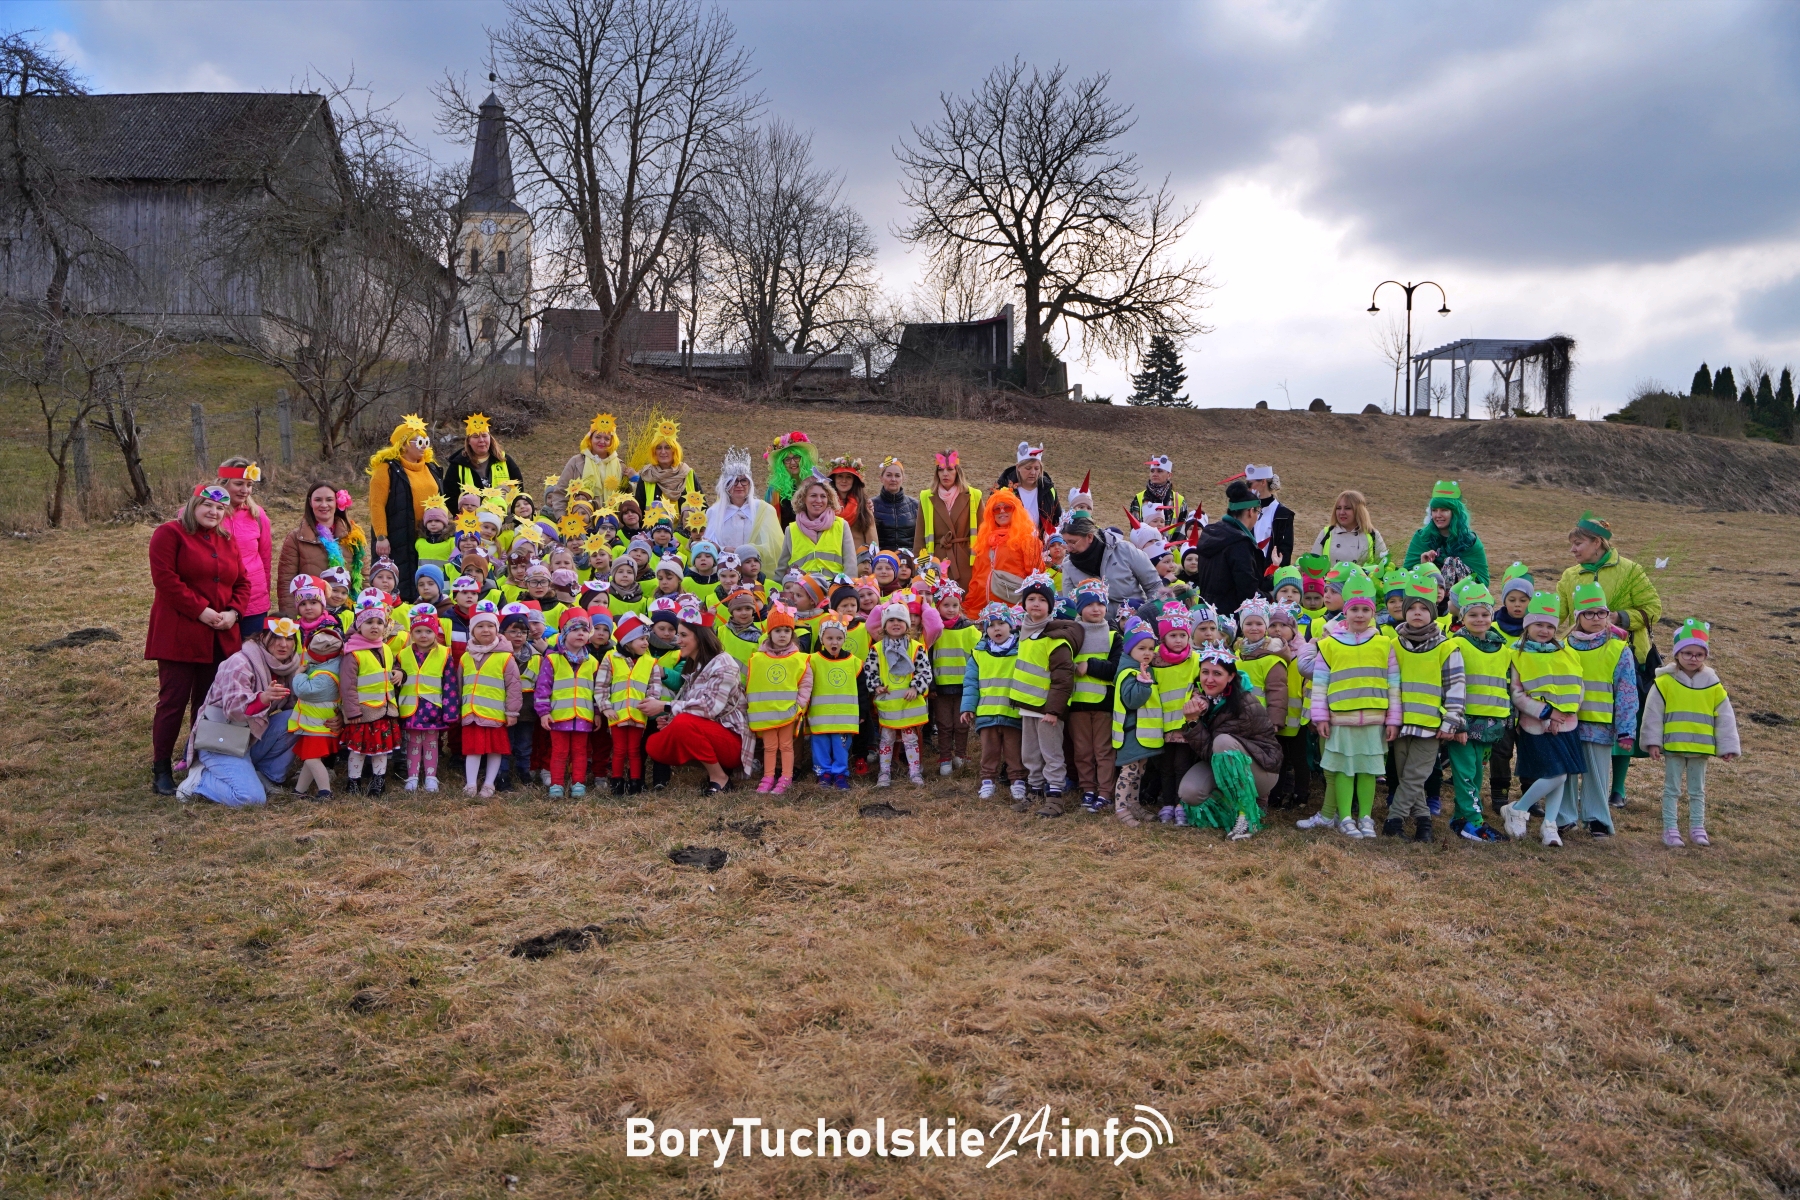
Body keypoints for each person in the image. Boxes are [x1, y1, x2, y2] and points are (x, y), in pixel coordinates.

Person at [147, 483, 252, 796]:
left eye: (220, 508)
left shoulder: (227, 540)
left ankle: (197, 760)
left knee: (208, 703)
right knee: (173, 701)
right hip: (180, 633)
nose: (213, 512)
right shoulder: (169, 534)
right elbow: (166, 579)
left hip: (220, 636)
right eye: (207, 505)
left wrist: (234, 612)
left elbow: (243, 582)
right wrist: (201, 611)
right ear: (194, 505)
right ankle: (161, 768)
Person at [1556, 510, 1662, 807]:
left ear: (1597, 543)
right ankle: (1584, 786)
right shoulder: (1569, 576)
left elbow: (1653, 608)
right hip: (1580, 655)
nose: (1573, 550)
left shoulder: (1630, 570)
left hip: (1623, 654)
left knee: (1620, 718)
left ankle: (1618, 788)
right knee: (1586, 720)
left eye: (1578, 543)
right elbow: (1558, 613)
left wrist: (1617, 618)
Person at [1297, 570, 1398, 840]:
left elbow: (1393, 684)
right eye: (1355, 609)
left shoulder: (1384, 644)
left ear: (1373, 612)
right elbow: (1320, 684)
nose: (1360, 615)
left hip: (1374, 720)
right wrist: (1320, 717)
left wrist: (1393, 719)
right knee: (1343, 769)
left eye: (1366, 610)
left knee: (1367, 770)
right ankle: (1344, 817)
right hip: (1340, 719)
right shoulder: (1330, 645)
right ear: (1346, 612)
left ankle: (1365, 817)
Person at [173, 615, 302, 806]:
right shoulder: (239, 663)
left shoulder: (290, 666)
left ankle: (265, 776)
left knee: (296, 718)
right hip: (222, 741)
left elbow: (296, 705)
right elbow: (233, 710)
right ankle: (199, 780)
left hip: (250, 738)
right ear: (262, 637)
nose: (283, 644)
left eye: (289, 638)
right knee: (251, 799)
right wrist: (262, 698)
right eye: (276, 637)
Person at [1497, 592, 1586, 846]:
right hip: (1536, 726)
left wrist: (1564, 713)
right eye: (1538, 624)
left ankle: (1550, 824)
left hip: (1565, 724)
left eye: (1549, 626)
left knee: (1562, 775)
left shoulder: (1566, 653)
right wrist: (1547, 713)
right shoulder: (1516, 654)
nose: (1544, 630)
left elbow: (1578, 686)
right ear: (1528, 625)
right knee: (1556, 774)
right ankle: (1518, 809)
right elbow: (1517, 694)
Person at [1383, 571, 1466, 842]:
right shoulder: (1393, 645)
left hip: (1431, 724)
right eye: (1412, 608)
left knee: (1415, 775)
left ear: (1432, 611)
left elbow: (1456, 688)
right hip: (1400, 722)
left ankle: (1393, 820)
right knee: (1408, 776)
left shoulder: (1447, 647)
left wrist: (1451, 721)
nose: (1417, 612)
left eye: (1423, 608)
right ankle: (1423, 823)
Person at [1643, 619, 1740, 848]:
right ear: (1677, 654)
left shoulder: (1714, 686)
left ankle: (1698, 828)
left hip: (1701, 748)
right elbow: (1653, 714)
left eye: (1699, 654)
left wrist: (1726, 747)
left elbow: (1725, 718)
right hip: (1674, 746)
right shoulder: (1664, 683)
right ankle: (1670, 829)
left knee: (1697, 791)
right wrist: (1653, 742)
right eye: (1687, 653)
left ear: (1705, 656)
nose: (1693, 658)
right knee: (1672, 790)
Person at [644, 601, 758, 795]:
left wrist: (665, 706)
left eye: (683, 635)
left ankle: (720, 778)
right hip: (712, 732)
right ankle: (715, 769)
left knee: (684, 723)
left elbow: (710, 708)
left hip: (732, 741)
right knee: (654, 744)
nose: (678, 640)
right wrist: (671, 720)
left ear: (700, 636)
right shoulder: (696, 665)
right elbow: (692, 708)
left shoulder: (723, 663)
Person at [1174, 645, 1283, 840]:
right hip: (1223, 762)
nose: (1209, 679)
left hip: (1262, 771)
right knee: (1189, 793)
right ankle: (1233, 811)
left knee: (1223, 742)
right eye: (1205, 672)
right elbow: (1211, 755)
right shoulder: (1206, 699)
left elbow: (1214, 750)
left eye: (1217, 673)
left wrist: (1194, 723)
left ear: (1231, 676)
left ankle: (1247, 813)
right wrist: (1194, 720)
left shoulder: (1243, 703)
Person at [1566, 580, 1639, 838]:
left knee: (1597, 773)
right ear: (1578, 616)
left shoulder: (1618, 649)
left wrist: (1626, 730)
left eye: (1601, 613)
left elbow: (1627, 693)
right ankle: (1565, 816)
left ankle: (1596, 818)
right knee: (1567, 772)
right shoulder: (1564, 646)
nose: (1596, 618)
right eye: (1589, 613)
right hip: (1568, 722)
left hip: (1601, 724)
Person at [1005, 573, 1082, 816]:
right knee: (1030, 753)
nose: (1036, 604)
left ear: (1050, 605)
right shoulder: (1026, 633)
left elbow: (1063, 677)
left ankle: (1055, 797)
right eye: (1031, 599)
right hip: (1028, 705)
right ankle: (1035, 791)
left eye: (1041, 600)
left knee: (1051, 754)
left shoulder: (1056, 638)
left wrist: (1054, 710)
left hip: (1047, 710)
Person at [1443, 581, 1509, 842]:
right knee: (1465, 773)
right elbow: (1451, 685)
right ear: (1462, 617)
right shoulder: (1456, 645)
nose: (1480, 619)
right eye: (1473, 614)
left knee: (1477, 773)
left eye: (1484, 614)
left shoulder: (1502, 648)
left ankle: (1460, 818)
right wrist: (1457, 722)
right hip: (1464, 722)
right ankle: (1474, 821)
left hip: (1491, 723)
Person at [368, 414, 444, 603]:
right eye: (419, 442)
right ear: (403, 444)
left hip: (427, 536)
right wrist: (381, 536)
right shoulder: (386, 469)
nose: (424, 446)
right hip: (397, 536)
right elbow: (376, 505)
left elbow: (441, 500)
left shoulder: (432, 468)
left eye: (426, 441)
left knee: (426, 581)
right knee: (398, 582)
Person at [337, 594, 403, 796]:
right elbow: (347, 686)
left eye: (379, 622)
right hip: (363, 713)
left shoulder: (385, 648)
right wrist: (352, 712)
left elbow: (391, 668)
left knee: (381, 750)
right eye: (369, 622)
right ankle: (354, 781)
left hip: (385, 710)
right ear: (359, 626)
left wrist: (400, 672)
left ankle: (378, 781)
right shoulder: (353, 653)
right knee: (357, 750)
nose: (375, 626)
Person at [1066, 579, 1121, 814]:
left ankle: (1105, 791)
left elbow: (1117, 668)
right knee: (1082, 750)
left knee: (1103, 750)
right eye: (1089, 604)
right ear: (1080, 608)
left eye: (1100, 604)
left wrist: (1090, 665)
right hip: (1077, 703)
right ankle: (1088, 788)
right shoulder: (1071, 634)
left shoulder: (1114, 636)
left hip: (1103, 704)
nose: (1096, 609)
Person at [864, 601, 934, 786]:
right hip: (888, 704)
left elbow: (925, 671)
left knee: (910, 739)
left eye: (900, 620)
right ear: (884, 625)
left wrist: (916, 687)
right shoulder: (877, 649)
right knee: (887, 739)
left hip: (909, 704)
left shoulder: (916, 647)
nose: (896, 623)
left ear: (907, 625)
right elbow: (870, 671)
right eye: (891, 620)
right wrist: (876, 686)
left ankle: (915, 772)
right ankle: (884, 773)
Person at [962, 602, 1025, 803]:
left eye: (1001, 623)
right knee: (989, 751)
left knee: (1014, 750)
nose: (996, 629)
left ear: (1011, 625)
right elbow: (971, 683)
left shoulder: (1022, 650)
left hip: (1012, 712)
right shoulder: (978, 654)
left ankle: (1017, 780)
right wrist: (968, 707)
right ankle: (987, 780)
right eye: (991, 625)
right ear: (985, 629)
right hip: (987, 713)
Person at [535, 607, 601, 799]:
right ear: (564, 633)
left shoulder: (592, 662)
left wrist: (597, 712)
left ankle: (578, 783)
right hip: (558, 716)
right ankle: (557, 784)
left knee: (580, 752)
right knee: (559, 752)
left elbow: (597, 691)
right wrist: (543, 712)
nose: (580, 633)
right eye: (575, 629)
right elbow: (543, 688)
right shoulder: (552, 659)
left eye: (584, 630)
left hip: (583, 716)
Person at [748, 603, 812, 794]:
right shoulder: (758, 659)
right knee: (769, 747)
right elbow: (753, 683)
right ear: (769, 633)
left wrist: (799, 705)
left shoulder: (799, 659)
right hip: (766, 712)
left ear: (792, 633)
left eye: (787, 630)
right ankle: (768, 777)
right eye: (777, 631)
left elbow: (806, 684)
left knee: (786, 746)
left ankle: (786, 777)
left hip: (788, 712)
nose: (782, 635)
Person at [459, 600, 521, 798]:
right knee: (473, 749)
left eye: (490, 626)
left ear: (497, 629)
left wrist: (512, 712)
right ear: (472, 630)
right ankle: (470, 784)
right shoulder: (465, 657)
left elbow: (514, 686)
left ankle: (489, 784)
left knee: (495, 749)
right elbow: (460, 684)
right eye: (480, 626)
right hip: (471, 713)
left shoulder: (505, 657)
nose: (485, 630)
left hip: (495, 714)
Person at [398, 603, 458, 793]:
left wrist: (450, 712)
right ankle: (412, 776)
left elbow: (450, 684)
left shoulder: (444, 654)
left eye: (428, 631)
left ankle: (431, 776)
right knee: (413, 743)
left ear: (435, 633)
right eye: (418, 631)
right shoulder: (403, 654)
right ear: (411, 634)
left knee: (431, 743)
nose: (423, 635)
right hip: (411, 708)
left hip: (433, 708)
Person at [277, 482, 366, 608]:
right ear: (310, 502)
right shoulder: (295, 538)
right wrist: (290, 617)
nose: (324, 505)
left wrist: (364, 611)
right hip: (310, 613)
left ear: (337, 502)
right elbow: (286, 583)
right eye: (318, 500)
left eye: (329, 500)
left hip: (348, 612)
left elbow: (364, 577)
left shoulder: (354, 536)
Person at [1108, 622, 1163, 827]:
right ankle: (1121, 808)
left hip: (1142, 734)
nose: (1147, 653)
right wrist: (1143, 683)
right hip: (1130, 733)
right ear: (1130, 649)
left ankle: (1134, 803)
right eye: (1141, 648)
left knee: (1139, 770)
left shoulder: (1143, 669)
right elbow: (1132, 701)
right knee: (1129, 771)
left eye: (1151, 648)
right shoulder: (1128, 673)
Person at [1057, 514, 1159, 620]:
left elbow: (1154, 586)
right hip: (1096, 626)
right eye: (1065, 542)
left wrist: (1147, 615)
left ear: (1090, 537)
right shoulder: (1068, 565)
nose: (1068, 548)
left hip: (1135, 622)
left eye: (1072, 542)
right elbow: (1070, 605)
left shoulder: (1125, 550)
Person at [214, 458, 273, 636]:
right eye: (239, 484)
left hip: (253, 601)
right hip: (217, 599)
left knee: (251, 650)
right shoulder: (207, 514)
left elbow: (265, 557)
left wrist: (264, 594)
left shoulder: (257, 515)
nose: (245, 490)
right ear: (223, 483)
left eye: (249, 485)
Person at [598, 613, 656, 794]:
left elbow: (654, 687)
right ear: (628, 641)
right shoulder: (611, 658)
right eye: (641, 639)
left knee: (634, 750)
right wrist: (605, 707)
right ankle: (617, 782)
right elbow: (601, 685)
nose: (646, 643)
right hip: (617, 713)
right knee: (619, 750)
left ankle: (635, 783)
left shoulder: (650, 662)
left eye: (647, 639)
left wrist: (651, 703)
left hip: (639, 713)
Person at [965, 486, 1044, 616]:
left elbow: (1035, 576)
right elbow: (977, 577)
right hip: (982, 609)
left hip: (1012, 610)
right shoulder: (984, 541)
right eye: (996, 509)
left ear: (1016, 510)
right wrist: (970, 603)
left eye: (1007, 507)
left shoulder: (1027, 539)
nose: (1002, 511)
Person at [703, 447, 783, 570]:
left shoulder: (764, 510)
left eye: (743, 480)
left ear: (750, 484)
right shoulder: (714, 512)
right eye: (734, 481)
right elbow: (706, 546)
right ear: (726, 485)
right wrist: (724, 549)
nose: (739, 485)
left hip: (756, 571)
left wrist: (747, 553)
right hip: (725, 572)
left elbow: (774, 546)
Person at [1194, 481, 1268, 614]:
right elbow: (1247, 591)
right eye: (1258, 512)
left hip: (1206, 613)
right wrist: (1269, 597)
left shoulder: (1210, 533)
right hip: (1230, 618)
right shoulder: (1239, 544)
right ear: (1250, 511)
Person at [927, 580, 977, 775]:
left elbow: (978, 657)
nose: (950, 609)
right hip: (941, 688)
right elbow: (928, 659)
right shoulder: (934, 630)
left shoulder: (970, 630)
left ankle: (961, 755)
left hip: (964, 686)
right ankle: (945, 757)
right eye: (946, 605)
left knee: (962, 723)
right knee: (944, 724)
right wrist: (931, 686)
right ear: (938, 606)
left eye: (955, 605)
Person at [290, 625, 344, 802]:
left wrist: (298, 675)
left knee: (312, 760)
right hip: (317, 726)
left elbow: (304, 690)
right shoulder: (333, 666)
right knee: (310, 759)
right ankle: (299, 791)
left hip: (318, 726)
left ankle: (325, 792)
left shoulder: (326, 675)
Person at [914, 449, 982, 593]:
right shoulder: (926, 497)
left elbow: (984, 533)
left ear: (957, 471)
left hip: (966, 560)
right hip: (937, 561)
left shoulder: (974, 495)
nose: (945, 474)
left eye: (950, 469)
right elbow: (920, 537)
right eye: (941, 469)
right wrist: (920, 566)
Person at [807, 616, 860, 789]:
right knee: (820, 745)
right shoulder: (812, 660)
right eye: (829, 638)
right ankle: (823, 773)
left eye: (839, 638)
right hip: (820, 716)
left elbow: (862, 690)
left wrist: (863, 711)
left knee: (840, 747)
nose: (834, 642)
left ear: (844, 639)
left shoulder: (853, 662)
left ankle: (840, 774)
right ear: (822, 639)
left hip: (844, 717)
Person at [1403, 480, 1490, 583]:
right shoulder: (1422, 537)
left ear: (1455, 513)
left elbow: (1483, 580)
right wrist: (1424, 566)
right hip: (1427, 591)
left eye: (1444, 510)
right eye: (1434, 510)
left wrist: (1458, 571)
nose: (1438, 515)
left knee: (1451, 563)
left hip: (1461, 592)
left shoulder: (1470, 541)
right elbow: (1407, 575)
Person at [775, 473, 857, 583]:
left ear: (829, 499)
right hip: (800, 588)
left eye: (823, 496)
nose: (818, 500)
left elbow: (850, 564)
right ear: (803, 499)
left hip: (834, 586)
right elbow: (782, 568)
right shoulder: (791, 529)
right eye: (813, 495)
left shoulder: (841, 525)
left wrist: (847, 587)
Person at [442, 413, 525, 511]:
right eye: (476, 436)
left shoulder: (504, 460)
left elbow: (519, 488)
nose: (481, 440)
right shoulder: (457, 465)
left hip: (503, 517)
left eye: (484, 436)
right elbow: (450, 496)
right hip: (472, 518)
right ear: (468, 441)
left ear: (490, 438)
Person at [548, 412, 627, 514]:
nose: (602, 441)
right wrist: (561, 517)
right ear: (590, 439)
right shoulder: (576, 462)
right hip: (582, 520)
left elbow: (627, 496)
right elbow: (560, 493)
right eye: (598, 437)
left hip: (612, 521)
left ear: (612, 442)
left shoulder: (620, 466)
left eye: (607, 438)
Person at [631, 417, 699, 514]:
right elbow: (639, 512)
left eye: (668, 447)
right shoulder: (647, 475)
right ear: (654, 451)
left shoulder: (688, 474)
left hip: (685, 524)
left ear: (674, 450)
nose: (663, 452)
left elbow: (703, 507)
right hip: (654, 524)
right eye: (659, 448)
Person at [995, 441, 1060, 538]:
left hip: (1042, 544)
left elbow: (1057, 520)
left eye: (1037, 468)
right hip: (1011, 543)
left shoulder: (1048, 490)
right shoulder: (1003, 490)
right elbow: (992, 520)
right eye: (1028, 468)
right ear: (1018, 467)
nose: (1033, 472)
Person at [1310, 490, 1388, 570]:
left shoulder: (1373, 534)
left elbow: (1384, 566)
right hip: (1330, 578)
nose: (1341, 512)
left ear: (1359, 511)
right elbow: (1313, 565)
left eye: (1347, 508)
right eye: (1338, 508)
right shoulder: (1326, 533)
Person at [1241, 464, 1294, 574]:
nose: (1247, 489)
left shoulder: (1283, 514)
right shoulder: (1245, 511)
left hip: (1269, 575)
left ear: (1263, 482)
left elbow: (1285, 552)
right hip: (1247, 572)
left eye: (1249, 484)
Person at [826, 456, 877, 568]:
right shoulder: (825, 505)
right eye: (840, 476)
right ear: (834, 479)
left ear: (854, 480)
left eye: (848, 477)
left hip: (858, 562)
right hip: (831, 561)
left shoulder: (864, 505)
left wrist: (873, 563)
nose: (844, 481)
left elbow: (872, 538)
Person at [763, 431, 818, 526]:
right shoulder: (774, 490)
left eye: (796, 457)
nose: (792, 463)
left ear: (804, 459)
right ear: (781, 464)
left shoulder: (816, 484)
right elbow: (768, 522)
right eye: (787, 459)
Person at [870, 456, 919, 553]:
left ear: (903, 478)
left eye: (897, 475)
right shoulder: (871, 505)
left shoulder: (915, 505)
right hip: (881, 559)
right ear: (881, 478)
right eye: (889, 475)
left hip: (908, 560)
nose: (893, 479)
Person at [1129, 454, 1184, 526]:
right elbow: (1135, 526)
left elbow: (1183, 527)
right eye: (1152, 471)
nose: (1155, 474)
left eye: (1159, 471)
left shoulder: (1179, 500)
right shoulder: (1138, 498)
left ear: (1169, 475)